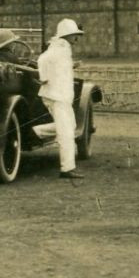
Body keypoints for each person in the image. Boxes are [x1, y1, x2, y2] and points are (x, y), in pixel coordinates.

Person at [38, 19, 85, 180]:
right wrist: (43, 77)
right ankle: (67, 168)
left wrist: (71, 65)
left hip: (60, 95)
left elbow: (58, 64)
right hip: (57, 95)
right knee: (66, 132)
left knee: (69, 126)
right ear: (67, 35)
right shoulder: (59, 47)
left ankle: (36, 131)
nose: (76, 38)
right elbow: (42, 60)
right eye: (74, 35)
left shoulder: (63, 48)